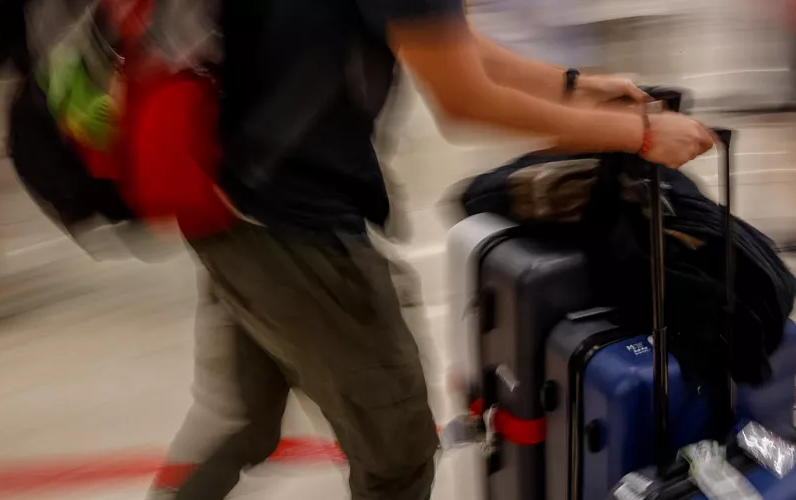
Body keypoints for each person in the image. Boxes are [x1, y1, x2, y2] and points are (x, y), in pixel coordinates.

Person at [154, 0, 717, 498]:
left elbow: (443, 39)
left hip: (229, 205)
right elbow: (465, 101)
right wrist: (640, 136)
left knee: (246, 424)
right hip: (296, 230)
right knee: (398, 460)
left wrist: (574, 86)